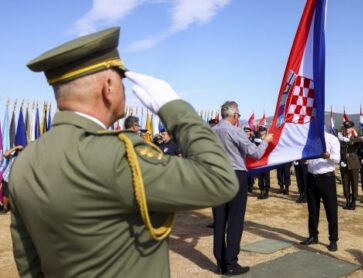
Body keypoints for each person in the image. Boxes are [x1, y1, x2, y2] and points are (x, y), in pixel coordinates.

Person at [9, 27, 239, 278]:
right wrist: (175, 108)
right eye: (121, 79)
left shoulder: (25, 162)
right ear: (108, 86)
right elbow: (221, 180)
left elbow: (28, 262)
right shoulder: (121, 156)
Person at [212, 101, 273, 275]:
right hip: (234, 176)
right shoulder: (235, 131)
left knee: (219, 222)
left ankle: (220, 263)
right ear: (233, 115)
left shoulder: (211, 132)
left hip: (216, 177)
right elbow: (255, 153)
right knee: (235, 221)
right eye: (238, 115)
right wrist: (266, 141)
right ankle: (231, 263)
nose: (238, 118)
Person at [300, 132, 340, 252]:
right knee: (312, 209)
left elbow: (338, 158)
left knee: (331, 210)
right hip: (312, 177)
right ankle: (313, 235)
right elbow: (309, 158)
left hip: (326, 178)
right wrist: (304, 161)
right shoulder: (310, 139)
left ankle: (333, 239)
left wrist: (329, 156)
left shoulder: (331, 139)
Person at [338, 121, 362, 210]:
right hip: (344, 163)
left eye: (348, 128)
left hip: (353, 163)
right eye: (345, 128)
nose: (347, 129)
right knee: (345, 182)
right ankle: (347, 200)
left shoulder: (355, 137)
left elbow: (360, 140)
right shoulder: (341, 138)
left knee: (354, 183)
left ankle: (354, 201)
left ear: (352, 129)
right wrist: (341, 160)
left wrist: (348, 139)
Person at [0, 145, 23, 214]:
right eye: (18, 151)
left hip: (14, 179)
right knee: (5, 194)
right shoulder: (12, 157)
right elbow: (5, 154)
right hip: (6, 177)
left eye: (20, 151)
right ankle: (5, 208)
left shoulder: (22, 160)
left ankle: (14, 208)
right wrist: (15, 148)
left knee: (14, 194)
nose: (19, 152)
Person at [255, 126, 271, 199]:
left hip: (265, 161)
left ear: (265, 131)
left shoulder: (268, 139)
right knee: (260, 177)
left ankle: (266, 192)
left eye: (262, 130)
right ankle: (261, 191)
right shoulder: (256, 139)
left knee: (266, 177)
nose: (261, 132)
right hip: (259, 161)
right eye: (260, 131)